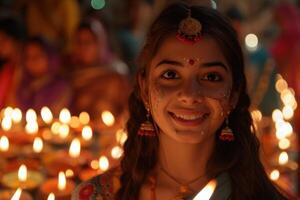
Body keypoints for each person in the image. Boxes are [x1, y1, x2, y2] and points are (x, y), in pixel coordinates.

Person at [72, 2, 287, 199]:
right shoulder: (96, 195)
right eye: (171, 75)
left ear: (234, 94)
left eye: (211, 77)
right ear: (145, 87)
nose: (190, 95)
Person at [66, 18, 130, 121]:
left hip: (108, 133)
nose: (83, 47)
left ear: (100, 43)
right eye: (79, 41)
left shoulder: (115, 73)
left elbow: (127, 111)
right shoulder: (67, 71)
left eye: (88, 42)